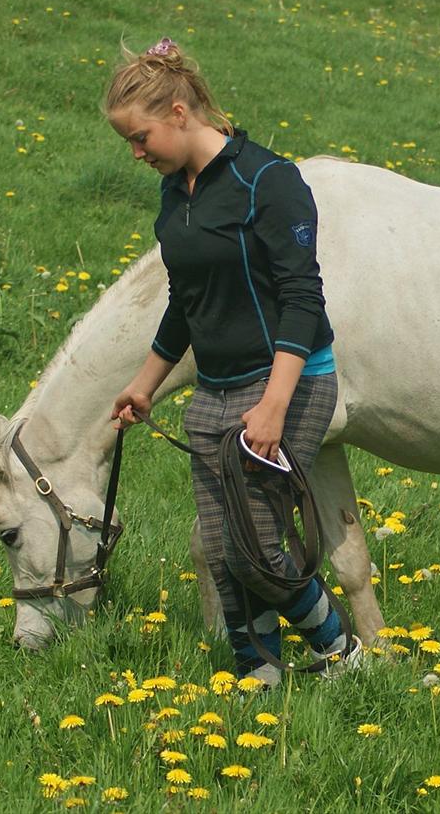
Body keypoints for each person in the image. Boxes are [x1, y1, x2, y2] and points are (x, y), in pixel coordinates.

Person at [105, 37, 359, 688]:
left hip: (289, 384)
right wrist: (143, 388)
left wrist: (273, 407)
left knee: (255, 547)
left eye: (141, 137)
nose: (136, 154)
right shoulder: (175, 196)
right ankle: (259, 676)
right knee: (222, 550)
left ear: (181, 111)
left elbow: (303, 299)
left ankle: (340, 652)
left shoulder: (269, 182)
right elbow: (186, 304)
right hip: (214, 389)